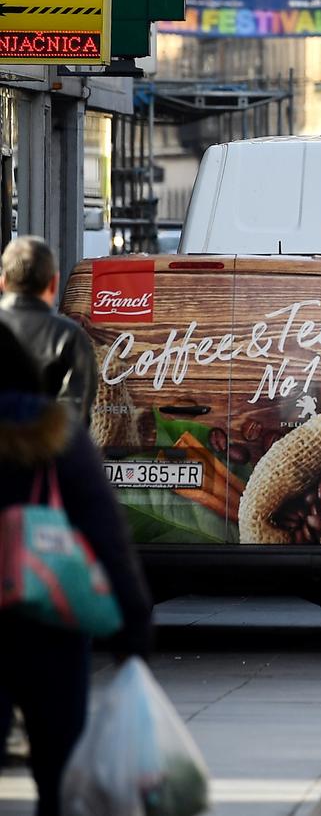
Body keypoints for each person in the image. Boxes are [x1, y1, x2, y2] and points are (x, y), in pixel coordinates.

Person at [0, 322, 152, 816]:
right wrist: (133, 623)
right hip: (51, 618)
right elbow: (105, 531)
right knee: (59, 769)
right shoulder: (58, 438)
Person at [0, 237, 97, 426]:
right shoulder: (69, 336)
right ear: (53, 283)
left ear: (3, 282)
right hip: (48, 448)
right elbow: (76, 412)